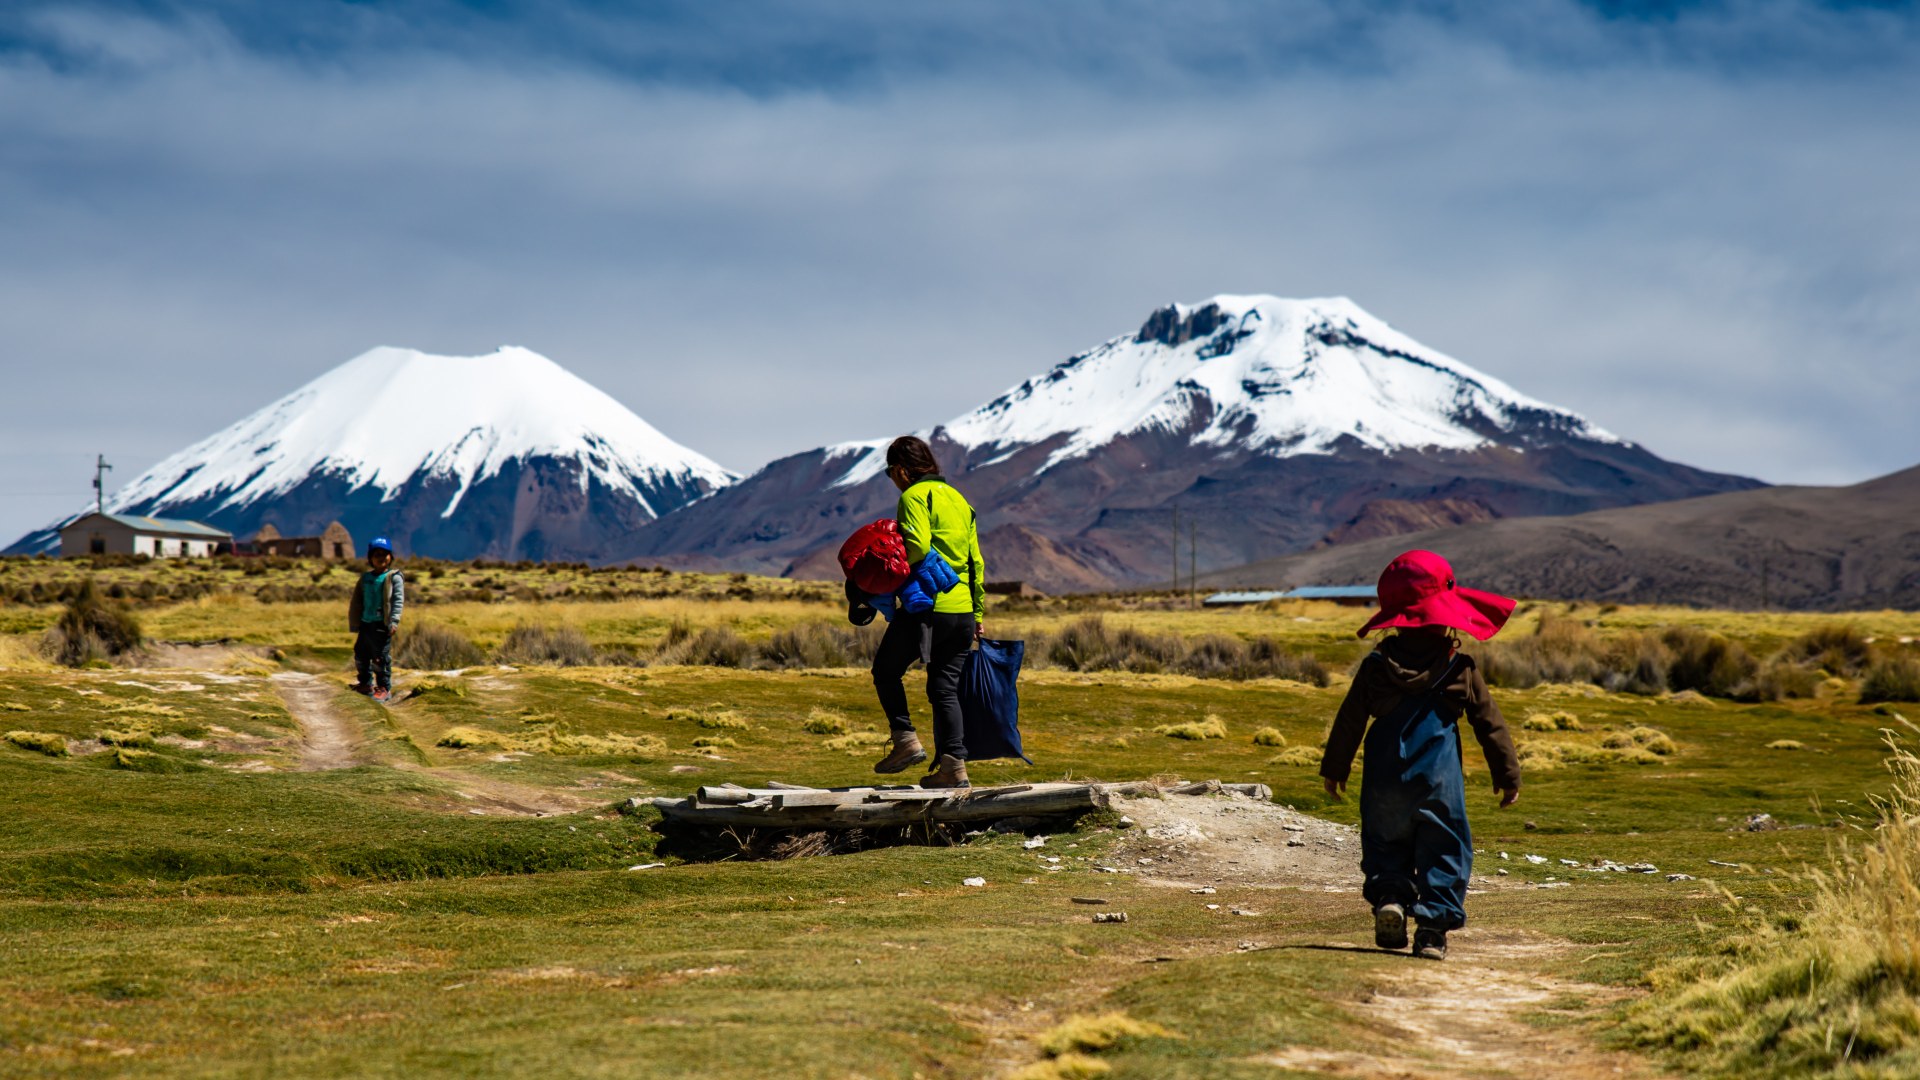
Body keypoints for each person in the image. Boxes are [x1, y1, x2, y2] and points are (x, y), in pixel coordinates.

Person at [1317, 550, 1521, 961]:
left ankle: (1391, 897)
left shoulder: (1376, 666)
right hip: (1439, 783)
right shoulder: (1458, 666)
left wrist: (1335, 769)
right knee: (1444, 848)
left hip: (1383, 779)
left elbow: (1349, 721)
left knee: (1384, 844)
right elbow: (1490, 724)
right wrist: (1507, 773)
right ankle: (1431, 931)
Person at [869, 436, 986, 788]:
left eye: (891, 472)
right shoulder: (959, 500)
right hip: (962, 610)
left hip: (928, 607)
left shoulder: (914, 497)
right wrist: (977, 613)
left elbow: (917, 546)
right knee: (944, 689)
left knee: (886, 670)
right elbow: (976, 562)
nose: (892, 479)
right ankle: (954, 769)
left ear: (902, 469)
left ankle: (905, 741)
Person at [347, 536, 405, 703]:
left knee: (380, 658)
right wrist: (355, 621)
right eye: (377, 554)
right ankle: (365, 684)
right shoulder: (366, 578)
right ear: (370, 558)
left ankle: (384, 688)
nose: (381, 557)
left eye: (385, 554)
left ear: (390, 557)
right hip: (366, 623)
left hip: (382, 625)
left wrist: (394, 621)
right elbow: (357, 600)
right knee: (361, 654)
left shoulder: (394, 577)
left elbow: (398, 600)